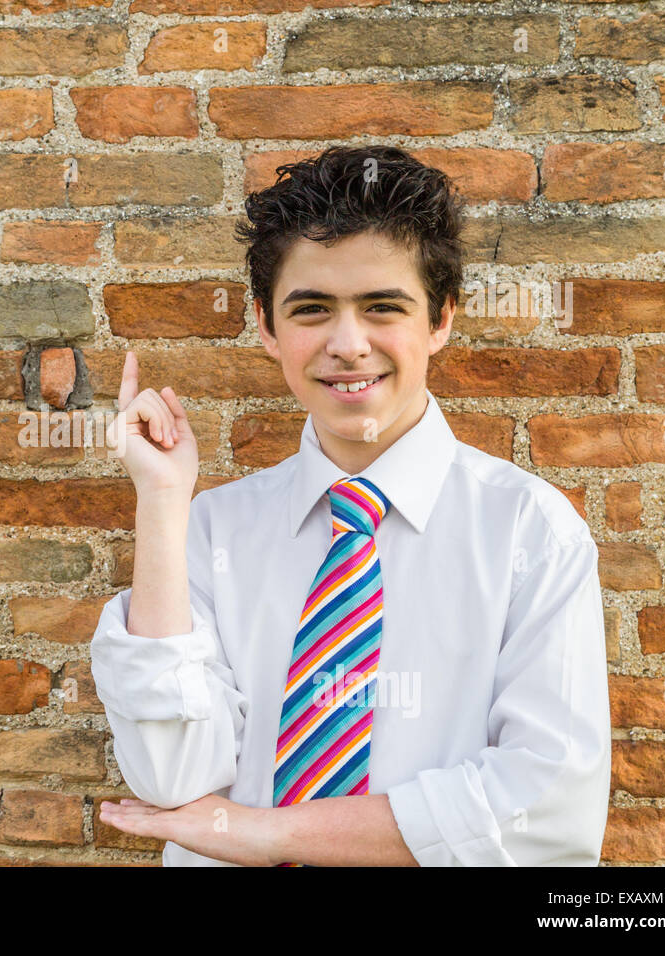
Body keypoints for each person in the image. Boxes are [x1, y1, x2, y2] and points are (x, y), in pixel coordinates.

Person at [90, 145, 611, 866]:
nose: (347, 344)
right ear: (269, 330)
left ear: (441, 320)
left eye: (383, 307)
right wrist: (161, 500)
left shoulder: (529, 530)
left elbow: (548, 810)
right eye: (311, 310)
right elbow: (170, 779)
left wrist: (270, 832)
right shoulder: (213, 529)